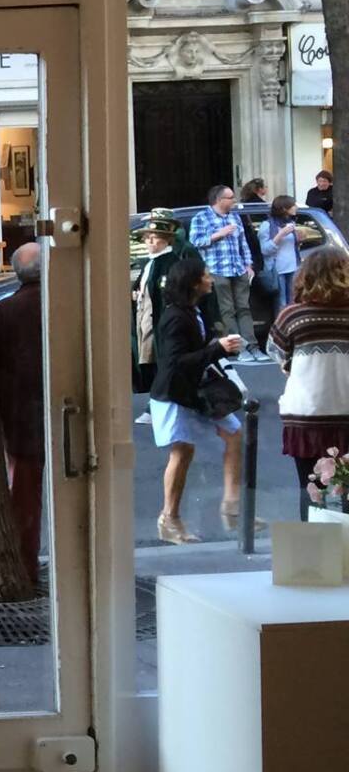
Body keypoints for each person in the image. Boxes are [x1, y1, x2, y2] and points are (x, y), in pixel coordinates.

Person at [150, 253, 246, 545]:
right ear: (193, 283)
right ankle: (170, 518)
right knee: (181, 452)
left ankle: (232, 507)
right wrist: (218, 348)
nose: (210, 279)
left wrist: (219, 347)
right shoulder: (177, 317)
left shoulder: (191, 311)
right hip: (175, 394)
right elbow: (176, 362)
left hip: (192, 392)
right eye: (205, 275)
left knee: (232, 434)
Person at [270, 246, 349, 521]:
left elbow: (280, 358)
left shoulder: (292, 316)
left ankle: (313, 546)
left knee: (311, 488)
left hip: (306, 416)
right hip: (346, 413)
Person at [0, 242, 45, 576]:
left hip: (20, 416)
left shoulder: (3, 311)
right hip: (64, 411)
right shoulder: (66, 304)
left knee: (24, 496)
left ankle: (25, 566)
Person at [189, 185, 254, 348]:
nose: (234, 200)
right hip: (217, 270)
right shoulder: (201, 217)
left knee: (244, 308)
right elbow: (194, 242)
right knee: (227, 310)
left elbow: (243, 243)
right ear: (219, 200)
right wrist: (219, 234)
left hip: (238, 269)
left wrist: (248, 264)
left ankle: (252, 345)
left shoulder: (235, 217)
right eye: (231, 197)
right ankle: (237, 348)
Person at [132, 208, 184, 398]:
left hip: (158, 319)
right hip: (143, 316)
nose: (149, 242)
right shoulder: (150, 263)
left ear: (167, 240)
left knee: (156, 357)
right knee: (145, 356)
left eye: (154, 238)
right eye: (147, 238)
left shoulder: (171, 263)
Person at [259, 195, 301, 311]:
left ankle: (292, 322)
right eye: (293, 205)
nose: (296, 207)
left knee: (293, 302)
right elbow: (265, 250)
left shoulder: (290, 223)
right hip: (277, 270)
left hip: (293, 268)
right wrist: (280, 235)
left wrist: (299, 238)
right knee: (281, 303)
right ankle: (281, 322)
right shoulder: (267, 225)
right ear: (284, 209)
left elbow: (292, 247)